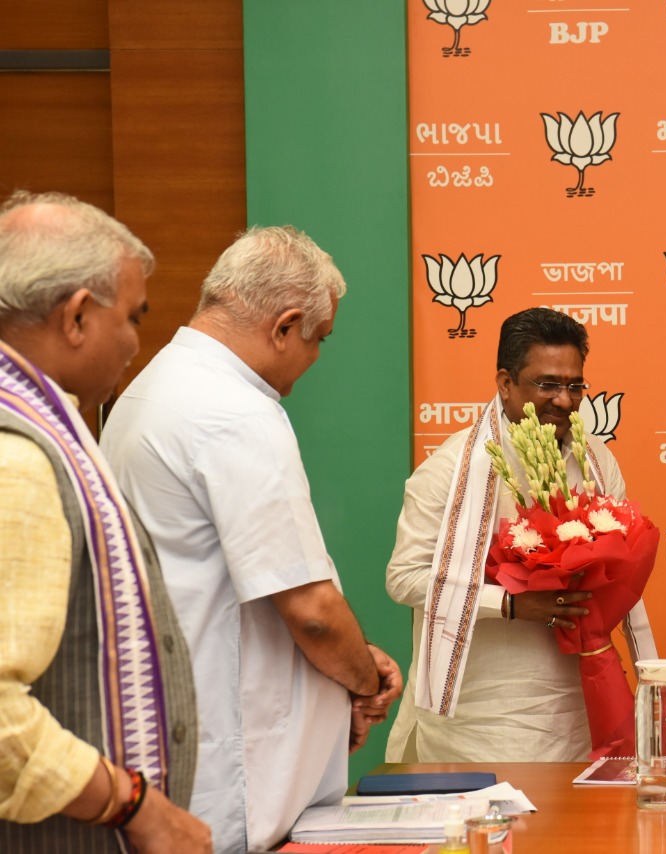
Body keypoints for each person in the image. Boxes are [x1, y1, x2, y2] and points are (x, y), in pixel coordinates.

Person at [100, 226, 403, 853]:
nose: (315, 358)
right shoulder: (233, 411)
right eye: (318, 340)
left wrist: (353, 660)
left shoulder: (156, 385)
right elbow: (312, 613)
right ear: (285, 326)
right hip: (234, 766)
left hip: (182, 733)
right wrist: (365, 682)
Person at [0, 190, 211, 852]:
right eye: (134, 317)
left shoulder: (43, 427)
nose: (134, 342)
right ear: (76, 318)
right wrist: (138, 807)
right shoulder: (18, 457)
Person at [385, 307, 657, 762]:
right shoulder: (450, 470)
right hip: (480, 718)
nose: (565, 400)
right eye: (547, 384)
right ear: (506, 384)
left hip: (575, 705)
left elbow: (621, 562)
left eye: (575, 385)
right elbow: (404, 577)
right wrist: (509, 603)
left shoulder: (596, 461)